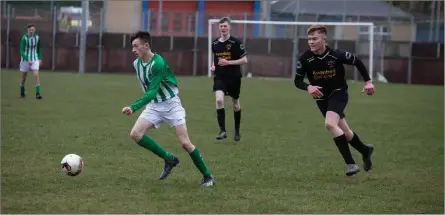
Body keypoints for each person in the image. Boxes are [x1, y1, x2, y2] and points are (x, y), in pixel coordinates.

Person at [122, 31, 215, 187]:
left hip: (171, 105)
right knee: (135, 134)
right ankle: (169, 159)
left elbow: (151, 91)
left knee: (185, 143)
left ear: (146, 46)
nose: (133, 50)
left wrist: (134, 106)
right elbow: (149, 92)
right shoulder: (136, 64)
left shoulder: (158, 63)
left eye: (136, 46)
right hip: (154, 105)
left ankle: (208, 177)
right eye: (132, 47)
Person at [293, 25, 375, 176]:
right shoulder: (305, 59)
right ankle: (365, 150)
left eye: (315, 38)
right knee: (346, 132)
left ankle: (350, 164)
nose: (311, 42)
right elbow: (297, 81)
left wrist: (368, 82)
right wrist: (308, 87)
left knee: (330, 124)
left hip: (339, 93)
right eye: (309, 39)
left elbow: (357, 61)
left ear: (324, 39)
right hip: (321, 98)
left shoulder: (336, 54)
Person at [211, 17, 248, 142]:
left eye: (225, 26)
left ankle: (237, 131)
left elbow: (244, 60)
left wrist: (229, 62)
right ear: (219, 28)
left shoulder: (236, 43)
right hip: (220, 77)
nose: (223, 28)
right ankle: (222, 131)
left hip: (234, 77)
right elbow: (215, 59)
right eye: (221, 26)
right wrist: (213, 65)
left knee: (235, 105)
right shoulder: (215, 43)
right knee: (219, 100)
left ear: (229, 27)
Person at [19, 24, 42, 99]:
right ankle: (22, 93)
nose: (31, 31)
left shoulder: (37, 38)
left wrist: (40, 58)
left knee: (36, 75)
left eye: (32, 30)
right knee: (23, 77)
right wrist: (27, 59)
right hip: (25, 60)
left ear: (34, 30)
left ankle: (37, 94)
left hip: (34, 59)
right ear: (27, 30)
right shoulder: (24, 38)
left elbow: (39, 48)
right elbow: (21, 51)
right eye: (30, 30)